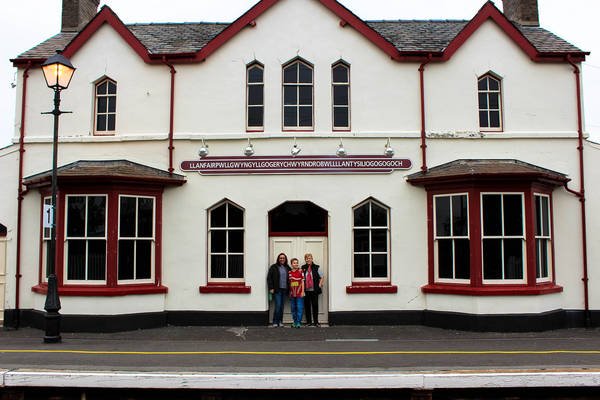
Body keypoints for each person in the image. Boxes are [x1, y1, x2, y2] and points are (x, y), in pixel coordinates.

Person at [267, 253, 290, 327]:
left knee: (282, 306)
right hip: (277, 290)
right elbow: (269, 278)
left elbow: (291, 278)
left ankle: (280, 321)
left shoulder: (287, 267)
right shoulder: (274, 267)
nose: (282, 259)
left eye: (283, 258)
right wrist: (271, 288)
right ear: (278, 259)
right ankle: (274, 322)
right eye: (280, 258)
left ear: (285, 259)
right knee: (278, 306)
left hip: (285, 290)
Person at [301, 253, 324, 327]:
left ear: (312, 259)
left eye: (310, 258)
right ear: (305, 259)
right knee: (307, 306)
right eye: (307, 258)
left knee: (315, 306)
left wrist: (319, 285)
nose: (308, 259)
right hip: (306, 290)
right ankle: (309, 322)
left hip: (314, 290)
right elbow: (301, 278)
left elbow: (322, 277)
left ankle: (316, 322)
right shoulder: (303, 267)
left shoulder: (316, 267)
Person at [288, 258, 304, 328]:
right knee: (293, 308)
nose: (296, 264)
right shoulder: (289, 273)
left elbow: (302, 282)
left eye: (297, 263)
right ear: (291, 264)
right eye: (294, 263)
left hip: (299, 293)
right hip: (292, 294)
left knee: (299, 308)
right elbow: (291, 283)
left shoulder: (301, 271)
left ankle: (298, 322)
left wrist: (303, 291)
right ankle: (294, 322)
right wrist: (290, 291)